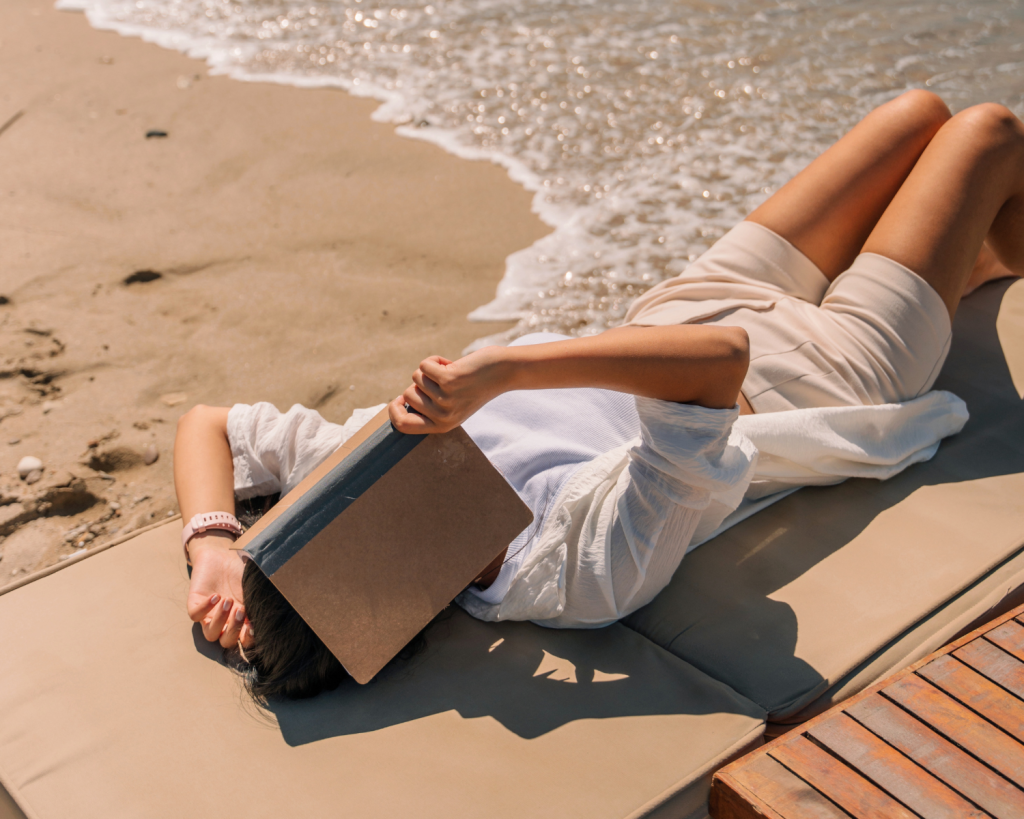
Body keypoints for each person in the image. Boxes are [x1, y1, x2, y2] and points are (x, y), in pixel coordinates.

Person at [173, 90, 1023, 701]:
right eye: (375, 501)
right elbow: (716, 365)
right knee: (988, 133)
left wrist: (214, 546)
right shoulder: (578, 566)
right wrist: (503, 371)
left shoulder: (365, 473)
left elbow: (208, 425)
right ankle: (990, 265)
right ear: (413, 586)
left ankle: (981, 263)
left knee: (916, 113)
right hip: (819, 370)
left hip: (683, 305)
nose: (378, 458)